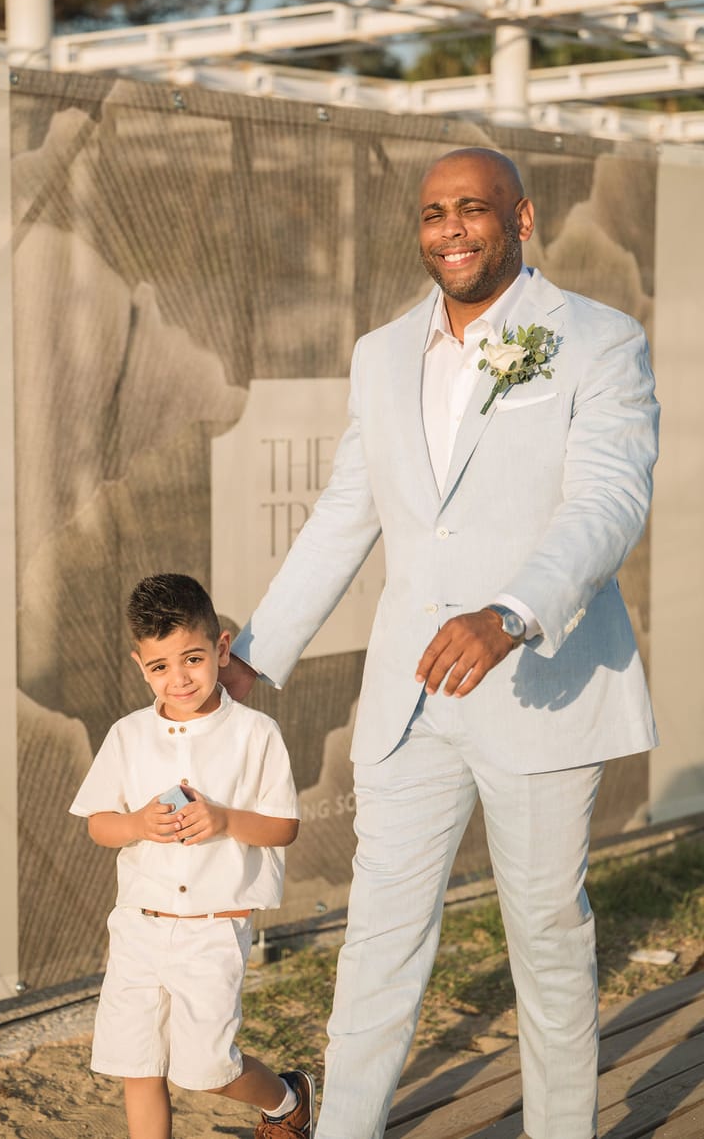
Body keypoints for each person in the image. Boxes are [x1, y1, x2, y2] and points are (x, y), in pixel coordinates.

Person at [222, 147, 660, 1139]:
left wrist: (510, 610)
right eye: (431, 213)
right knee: (377, 937)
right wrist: (255, 651)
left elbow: (606, 498)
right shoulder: (381, 352)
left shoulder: (594, 339)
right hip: (406, 700)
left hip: (539, 684)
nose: (449, 228)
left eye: (472, 208)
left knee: (545, 939)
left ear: (521, 218)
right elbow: (347, 508)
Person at [69, 573, 314, 1139]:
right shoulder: (127, 735)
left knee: (206, 1069)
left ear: (222, 648)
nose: (178, 679)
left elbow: (284, 828)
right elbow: (100, 826)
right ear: (140, 665)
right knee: (137, 1064)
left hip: (214, 929)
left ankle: (285, 1100)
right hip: (138, 925)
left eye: (194, 660)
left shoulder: (256, 733)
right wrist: (136, 824)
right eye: (160, 667)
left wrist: (225, 819)